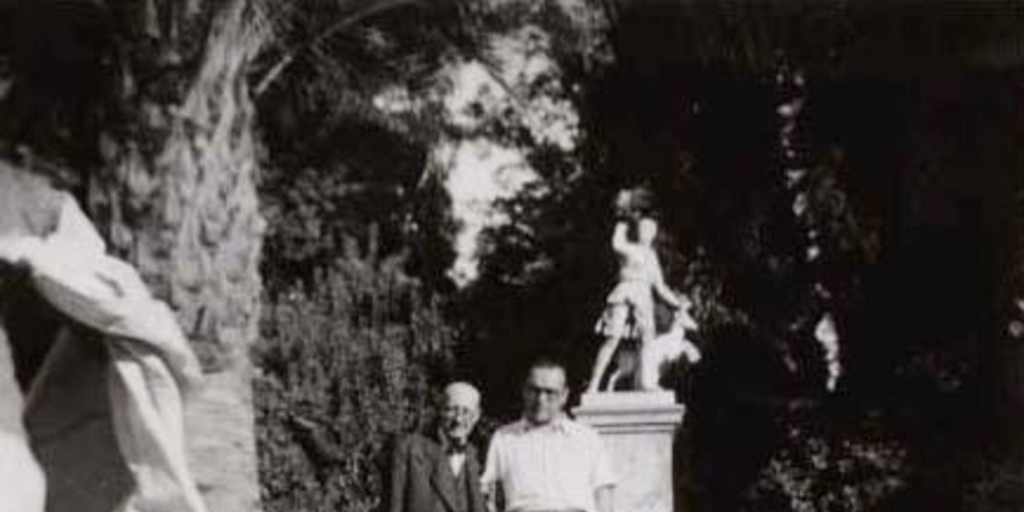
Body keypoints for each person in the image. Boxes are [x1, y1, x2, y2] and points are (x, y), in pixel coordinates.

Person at [482, 358, 615, 512]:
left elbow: (604, 494)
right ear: (524, 391)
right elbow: (490, 497)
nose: (541, 399)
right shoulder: (504, 438)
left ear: (564, 396)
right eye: (534, 390)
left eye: (550, 392)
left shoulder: (587, 439)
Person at [587, 217, 685, 392]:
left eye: (648, 229)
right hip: (625, 291)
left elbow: (660, 287)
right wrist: (621, 223)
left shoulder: (652, 256)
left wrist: (677, 304)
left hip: (644, 296)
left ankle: (644, 383)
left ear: (653, 234)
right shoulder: (629, 248)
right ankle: (594, 383)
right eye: (641, 228)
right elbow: (616, 244)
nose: (644, 232)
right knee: (613, 337)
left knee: (647, 339)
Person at [389, 382, 487, 512]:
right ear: (440, 410)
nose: (458, 419)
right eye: (451, 410)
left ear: (476, 416)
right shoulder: (411, 449)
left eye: (466, 412)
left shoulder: (478, 458)